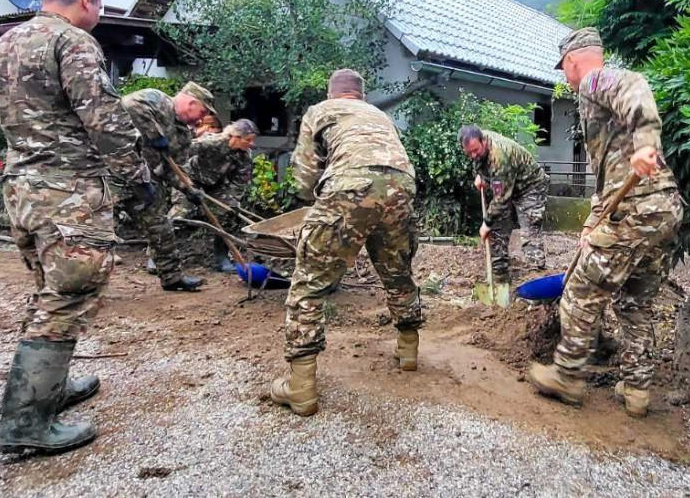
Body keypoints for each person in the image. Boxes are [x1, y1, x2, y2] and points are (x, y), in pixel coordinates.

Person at [0, 0, 153, 454]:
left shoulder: (3, 45)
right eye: (99, 9)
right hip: (68, 191)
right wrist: (137, 179)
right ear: (85, 0)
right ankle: (25, 423)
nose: (98, 18)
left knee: (49, 290)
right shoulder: (73, 42)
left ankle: (48, 389)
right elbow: (102, 118)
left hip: (22, 188)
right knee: (69, 294)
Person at [526, 27, 682, 417]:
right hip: (661, 209)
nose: (565, 76)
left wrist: (647, 143)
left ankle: (567, 376)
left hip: (637, 208)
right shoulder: (598, 105)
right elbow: (608, 182)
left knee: (579, 292)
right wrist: (590, 227)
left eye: (563, 68)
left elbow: (635, 86)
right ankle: (636, 391)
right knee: (634, 303)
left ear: (573, 60)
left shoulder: (595, 79)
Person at [271, 69, 421, 416]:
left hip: (348, 186)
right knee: (397, 273)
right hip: (402, 186)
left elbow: (305, 173)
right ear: (361, 95)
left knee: (309, 284)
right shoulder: (380, 115)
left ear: (331, 93)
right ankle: (408, 350)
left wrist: (315, 202)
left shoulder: (320, 111)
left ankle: (301, 389)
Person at [120, 81, 218, 291]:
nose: (201, 118)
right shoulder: (156, 99)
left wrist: (188, 189)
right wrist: (154, 133)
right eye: (201, 111)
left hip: (147, 185)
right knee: (97, 227)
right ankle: (81, 279)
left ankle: (172, 277)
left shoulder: (183, 135)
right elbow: (127, 105)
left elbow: (173, 170)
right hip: (115, 175)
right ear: (191, 103)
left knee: (161, 228)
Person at [458, 125, 548, 281]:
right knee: (497, 228)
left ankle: (537, 280)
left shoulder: (499, 156)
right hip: (508, 184)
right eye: (469, 153)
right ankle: (500, 278)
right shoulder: (477, 144)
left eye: (476, 150)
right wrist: (483, 177)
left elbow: (501, 198)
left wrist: (486, 223)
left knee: (529, 230)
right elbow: (484, 167)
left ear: (483, 142)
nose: (473, 155)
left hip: (530, 186)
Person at [180, 118, 259, 271]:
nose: (251, 144)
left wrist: (233, 202)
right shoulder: (210, 142)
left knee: (229, 212)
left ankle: (221, 257)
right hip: (189, 178)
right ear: (235, 137)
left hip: (216, 183)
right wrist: (184, 184)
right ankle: (158, 256)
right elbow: (180, 153)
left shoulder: (245, 155)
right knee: (180, 213)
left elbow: (239, 182)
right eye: (248, 140)